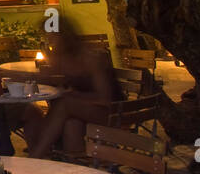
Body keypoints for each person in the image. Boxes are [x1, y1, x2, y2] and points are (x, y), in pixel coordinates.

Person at [22, 22, 124, 159]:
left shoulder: (91, 58)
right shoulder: (65, 58)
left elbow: (104, 98)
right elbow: (49, 79)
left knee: (64, 104)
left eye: (52, 38)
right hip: (87, 111)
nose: (50, 43)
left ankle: (36, 156)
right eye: (47, 38)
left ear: (64, 37)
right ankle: (60, 160)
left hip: (114, 112)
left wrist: (74, 95)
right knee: (60, 119)